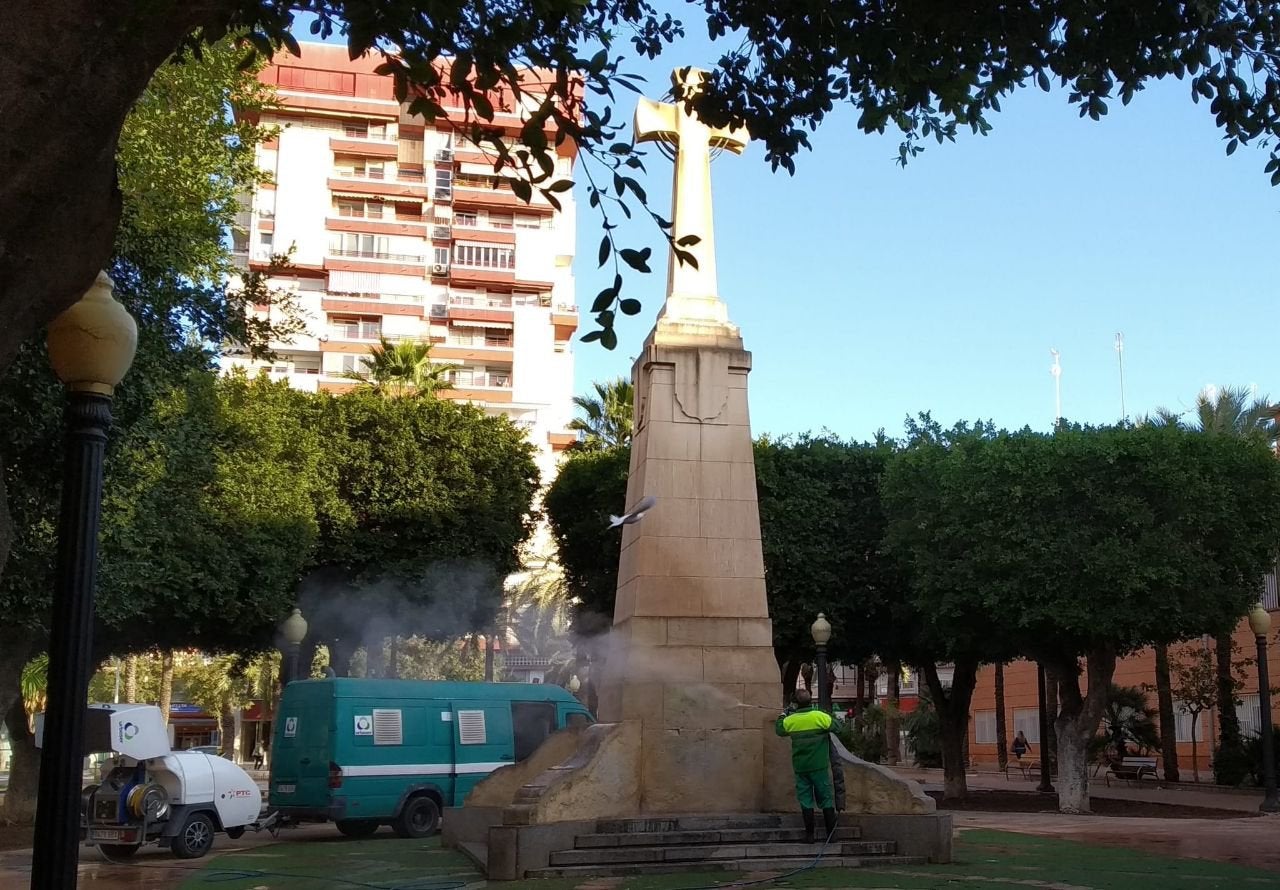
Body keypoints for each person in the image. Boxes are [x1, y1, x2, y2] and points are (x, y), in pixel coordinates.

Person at [775, 688, 837, 844]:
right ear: (811, 701)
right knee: (826, 799)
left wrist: (783, 714)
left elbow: (779, 729)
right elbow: (838, 726)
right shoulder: (819, 717)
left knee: (805, 800)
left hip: (801, 768)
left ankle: (810, 836)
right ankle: (831, 835)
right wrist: (824, 715)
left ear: (795, 704)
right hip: (820, 766)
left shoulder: (791, 720)